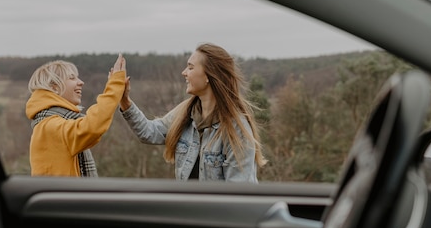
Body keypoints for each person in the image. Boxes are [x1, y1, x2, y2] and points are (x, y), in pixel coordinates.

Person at [119, 43, 267, 182]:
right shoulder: (185, 113)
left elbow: (237, 194)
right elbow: (149, 132)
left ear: (209, 75)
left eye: (190, 67)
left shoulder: (236, 129)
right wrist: (125, 101)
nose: (184, 72)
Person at [26, 54, 127, 177]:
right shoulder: (49, 127)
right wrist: (115, 84)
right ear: (54, 87)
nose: (81, 82)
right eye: (72, 78)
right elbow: (92, 127)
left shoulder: (48, 123)